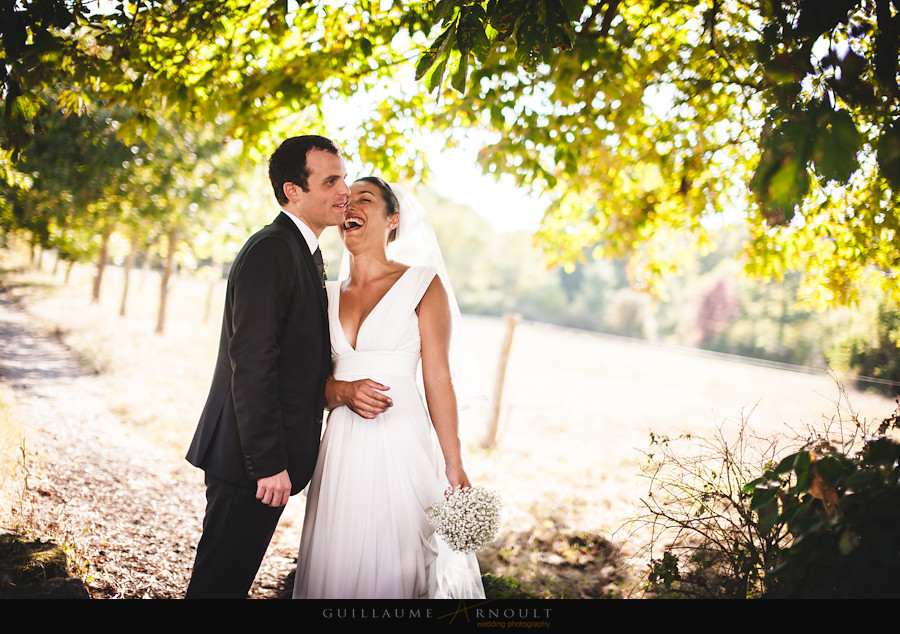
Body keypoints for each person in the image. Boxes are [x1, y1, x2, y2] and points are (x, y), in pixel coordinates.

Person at [184, 136, 392, 599]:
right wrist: (268, 464)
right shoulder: (271, 251)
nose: (345, 191)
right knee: (218, 585)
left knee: (228, 583)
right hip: (248, 460)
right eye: (331, 180)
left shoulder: (306, 252)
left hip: (261, 460)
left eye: (344, 176)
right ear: (293, 191)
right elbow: (254, 363)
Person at [293, 176, 485, 599]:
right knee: (336, 559)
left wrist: (454, 463)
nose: (350, 207)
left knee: (394, 569)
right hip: (342, 446)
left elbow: (438, 378)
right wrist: (341, 391)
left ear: (392, 220)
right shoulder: (322, 294)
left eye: (365, 199)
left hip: (402, 441)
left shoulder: (422, 283)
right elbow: (311, 386)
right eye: (346, 201)